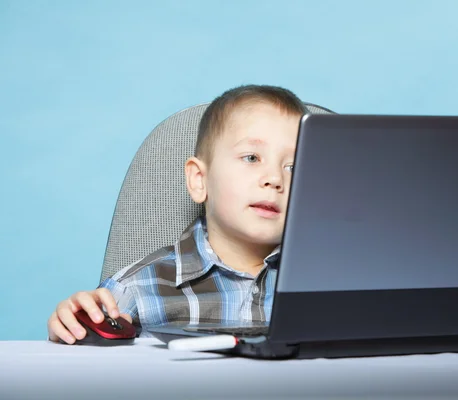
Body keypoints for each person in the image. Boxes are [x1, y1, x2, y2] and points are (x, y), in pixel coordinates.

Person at [47, 84, 308, 343]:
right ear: (199, 180)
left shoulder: (325, 286)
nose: (275, 178)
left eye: (294, 166)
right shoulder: (135, 290)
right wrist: (69, 331)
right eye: (251, 157)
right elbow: (83, 367)